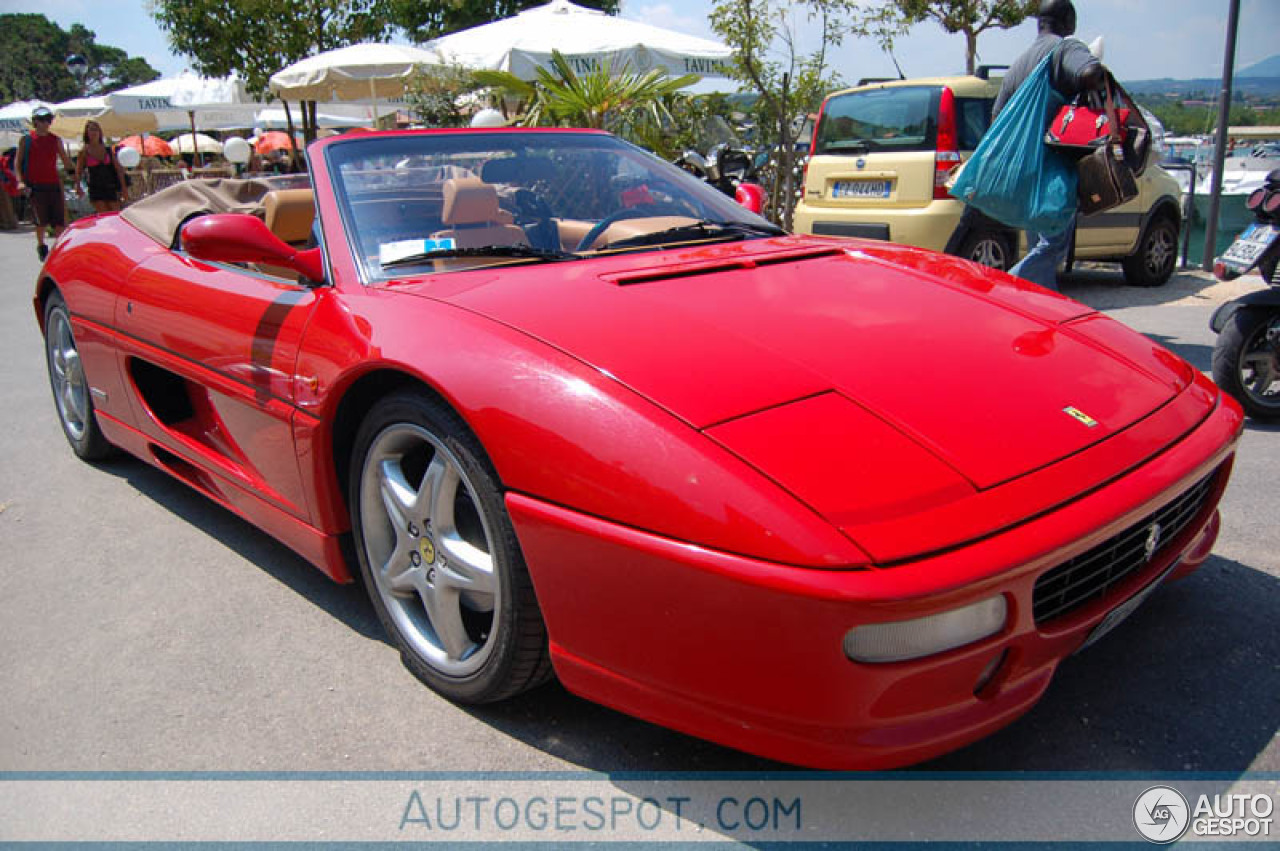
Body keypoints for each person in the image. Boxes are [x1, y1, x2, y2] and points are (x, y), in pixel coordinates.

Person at [947, 0, 1104, 290]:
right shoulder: (1066, 48)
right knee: (1054, 242)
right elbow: (1089, 72)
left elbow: (997, 120)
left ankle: (1037, 309)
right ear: (1068, 20)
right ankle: (1009, 288)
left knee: (1039, 243)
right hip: (1052, 170)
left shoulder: (1018, 65)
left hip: (1022, 174)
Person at [15, 106, 79, 260]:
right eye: (42, 120)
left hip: (54, 183)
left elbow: (64, 160)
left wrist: (75, 176)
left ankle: (58, 249)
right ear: (35, 121)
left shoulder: (55, 139)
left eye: (48, 120)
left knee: (59, 220)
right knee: (40, 221)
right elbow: (18, 162)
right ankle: (41, 245)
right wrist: (20, 182)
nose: (45, 123)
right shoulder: (27, 139)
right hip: (35, 185)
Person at [74, 120, 129, 214]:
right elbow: (78, 171)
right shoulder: (84, 152)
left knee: (115, 213)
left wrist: (124, 188)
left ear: (100, 132)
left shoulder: (108, 150)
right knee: (104, 215)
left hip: (110, 185)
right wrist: (78, 186)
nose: (94, 132)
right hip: (96, 187)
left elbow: (118, 169)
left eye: (96, 130)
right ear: (87, 133)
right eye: (91, 130)